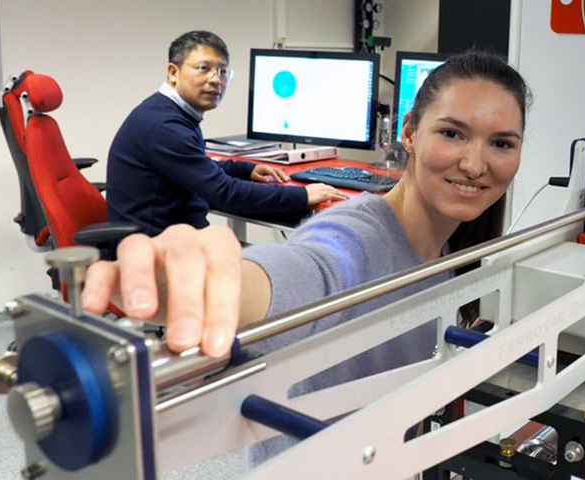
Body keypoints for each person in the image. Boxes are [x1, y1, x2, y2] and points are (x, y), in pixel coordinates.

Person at [85, 49, 528, 396]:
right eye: (452, 133)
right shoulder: (356, 238)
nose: (474, 164)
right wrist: (202, 283)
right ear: (408, 133)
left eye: (501, 144)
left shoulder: (452, 251)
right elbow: (310, 269)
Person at [106, 30, 346, 236]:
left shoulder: (165, 113)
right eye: (203, 69)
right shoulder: (165, 126)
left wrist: (245, 169)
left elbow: (195, 168)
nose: (215, 80)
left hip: (170, 240)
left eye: (222, 72)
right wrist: (302, 196)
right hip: (154, 256)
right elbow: (224, 193)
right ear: (173, 72)